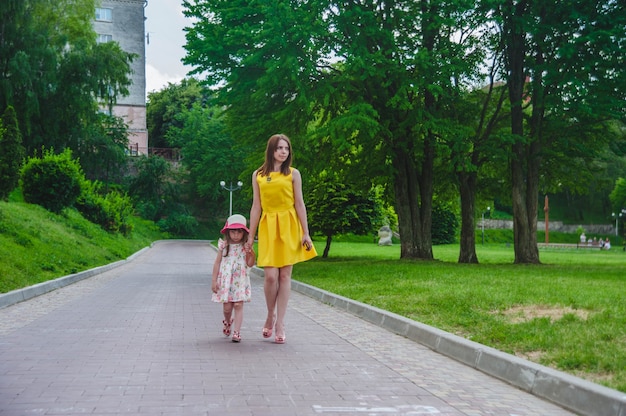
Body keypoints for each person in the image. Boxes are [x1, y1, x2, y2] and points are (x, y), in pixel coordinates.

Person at [246, 134, 317, 344]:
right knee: (270, 277)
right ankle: (270, 314)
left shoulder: (293, 174)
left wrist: (306, 232)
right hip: (268, 226)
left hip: (289, 225)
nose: (283, 152)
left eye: (286, 148)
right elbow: (256, 206)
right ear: (271, 150)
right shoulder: (258, 175)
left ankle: (280, 323)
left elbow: (300, 204)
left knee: (285, 276)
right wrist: (251, 235)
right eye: (279, 148)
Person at [211, 214, 256, 342]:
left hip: (240, 280)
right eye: (233, 232)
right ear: (228, 232)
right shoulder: (224, 246)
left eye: (239, 232)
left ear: (244, 233)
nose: (236, 235)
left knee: (238, 305)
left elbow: (250, 263)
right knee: (227, 307)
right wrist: (214, 281)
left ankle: (237, 332)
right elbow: (217, 263)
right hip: (226, 281)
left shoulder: (245, 247)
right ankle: (227, 320)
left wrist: (251, 253)